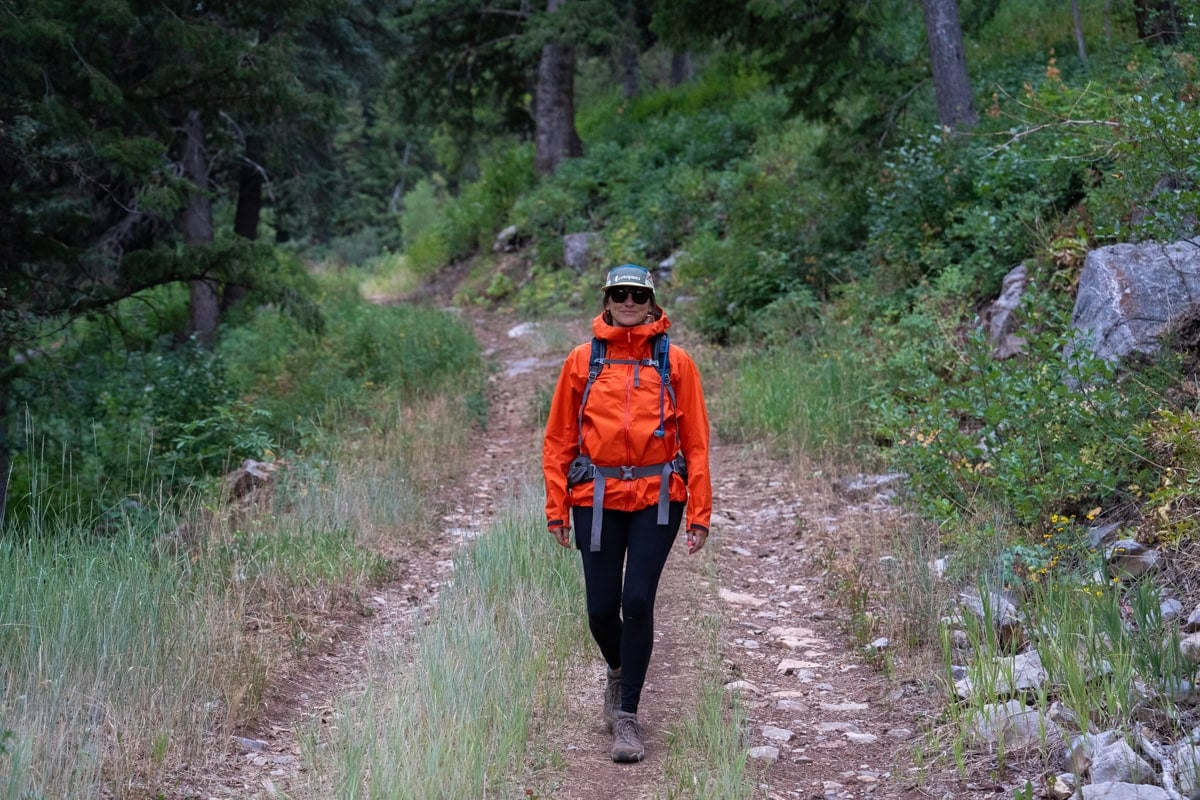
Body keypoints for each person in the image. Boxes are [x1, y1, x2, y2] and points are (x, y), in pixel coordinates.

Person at [542, 263, 712, 763]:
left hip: (660, 497)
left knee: (636, 599)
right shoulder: (582, 361)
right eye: (620, 293)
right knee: (600, 610)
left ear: (652, 301)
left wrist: (700, 511)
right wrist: (556, 507)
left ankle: (629, 717)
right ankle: (618, 669)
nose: (629, 302)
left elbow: (697, 443)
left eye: (638, 295)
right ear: (607, 301)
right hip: (595, 498)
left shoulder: (675, 362)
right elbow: (558, 440)